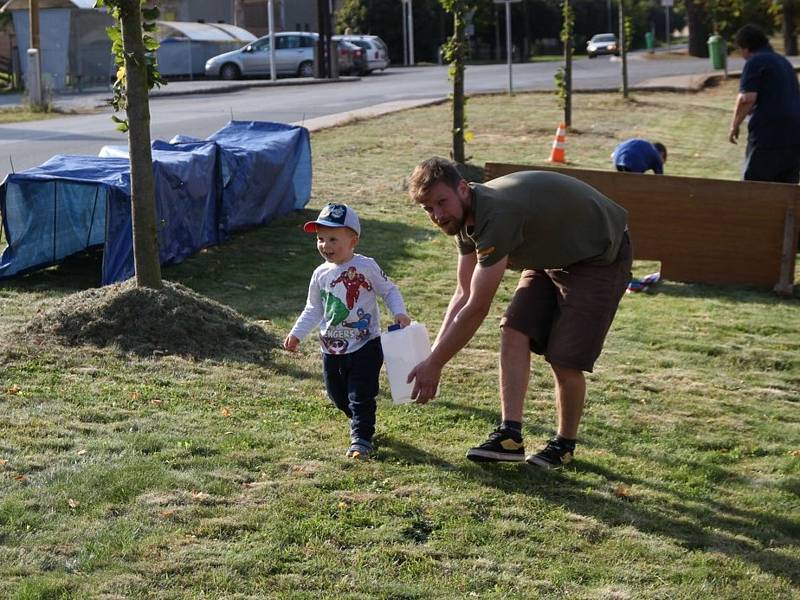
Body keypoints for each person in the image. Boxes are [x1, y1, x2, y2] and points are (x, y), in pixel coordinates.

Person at [407, 158, 632, 469]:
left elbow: (477, 307)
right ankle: (510, 436)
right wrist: (433, 356)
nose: (437, 215)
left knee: (564, 359)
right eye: (428, 209)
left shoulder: (495, 215)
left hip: (598, 254)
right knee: (514, 328)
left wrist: (435, 363)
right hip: (552, 253)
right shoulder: (461, 219)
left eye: (441, 203)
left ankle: (564, 444)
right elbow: (463, 294)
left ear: (462, 188)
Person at [284, 203, 411, 459]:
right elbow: (313, 308)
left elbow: (389, 290)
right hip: (331, 348)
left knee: (361, 394)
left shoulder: (367, 267)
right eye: (320, 239)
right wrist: (297, 333)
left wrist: (399, 312)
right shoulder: (320, 274)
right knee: (338, 396)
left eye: (333, 239)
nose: (325, 245)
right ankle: (360, 420)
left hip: (366, 345)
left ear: (353, 241)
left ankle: (361, 439)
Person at [728, 23, 800, 183]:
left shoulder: (755, 62)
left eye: (740, 50)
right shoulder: (783, 62)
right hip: (795, 137)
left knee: (753, 188)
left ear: (746, 47)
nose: (742, 56)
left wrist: (734, 126)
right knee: (786, 194)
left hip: (769, 136)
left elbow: (746, 99)